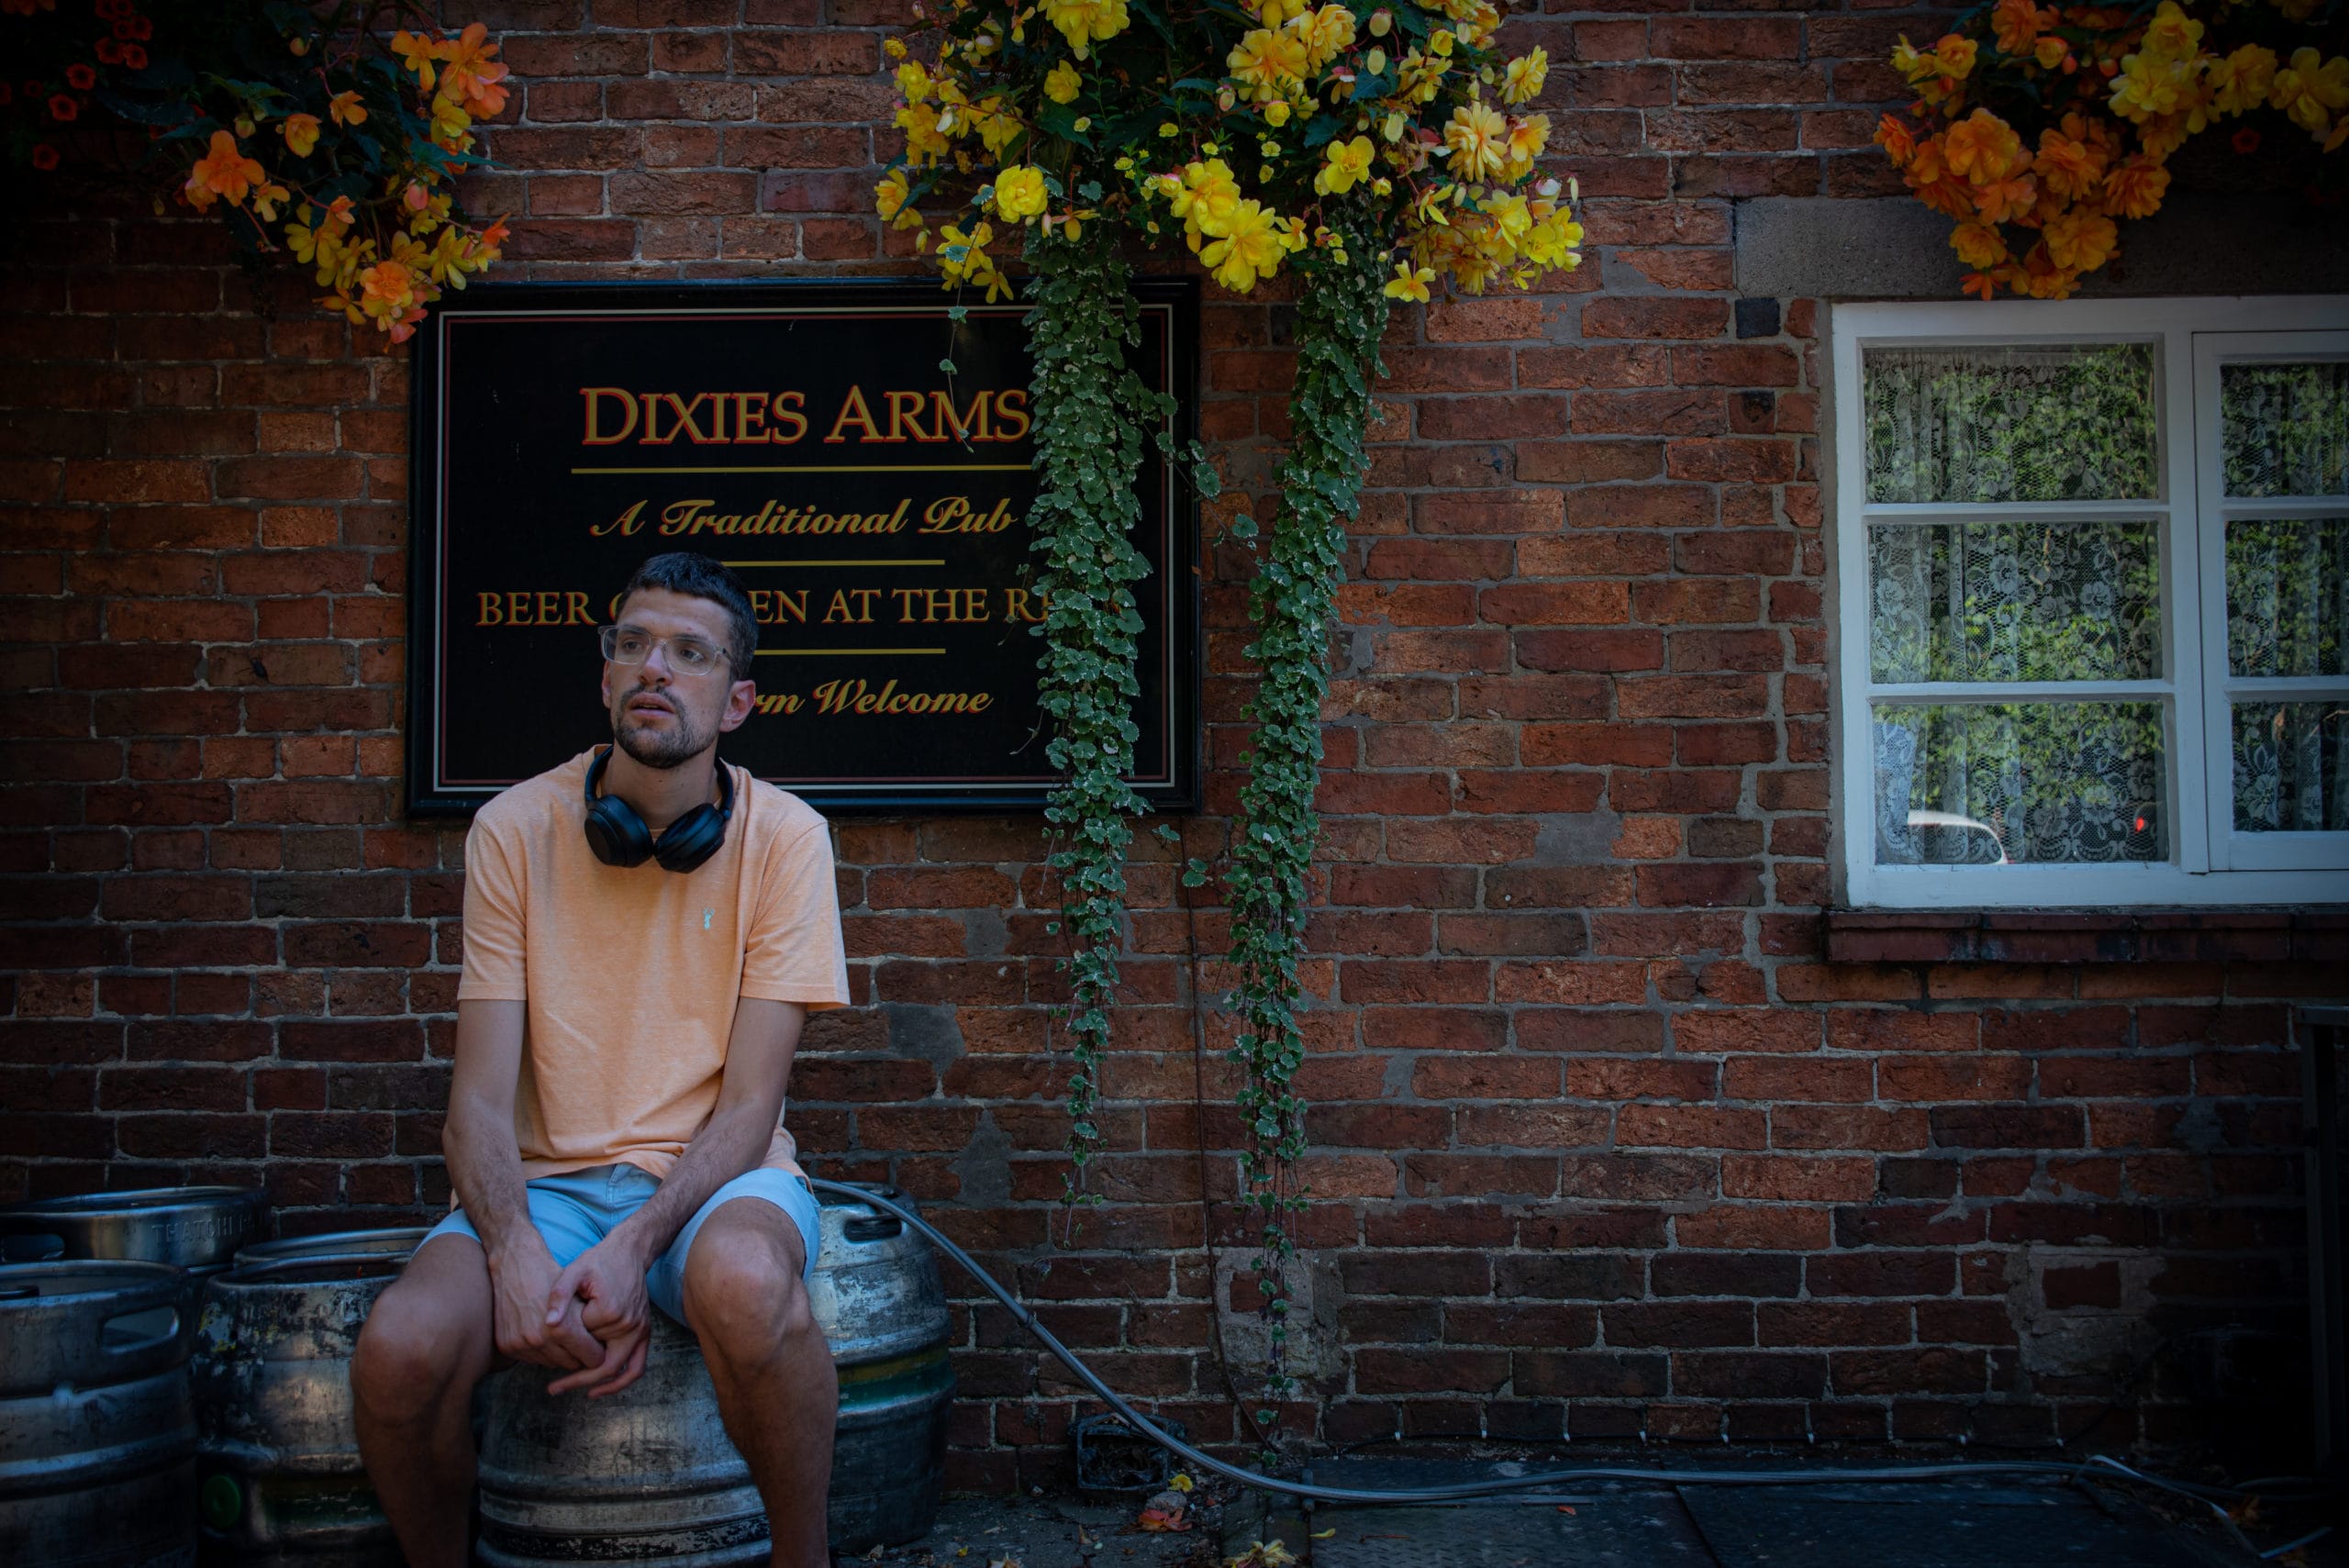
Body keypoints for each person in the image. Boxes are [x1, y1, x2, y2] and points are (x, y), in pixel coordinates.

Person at [351, 551, 850, 1568]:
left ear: (739, 697)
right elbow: (477, 1106)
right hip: (543, 1187)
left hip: (714, 1180)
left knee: (748, 1280)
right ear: (605, 673)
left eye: (689, 652)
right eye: (632, 643)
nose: (654, 666)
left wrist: (633, 1247)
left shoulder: (787, 838)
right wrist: (511, 1250)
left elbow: (752, 1103)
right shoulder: (512, 830)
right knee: (400, 1349)